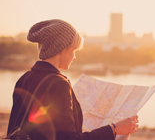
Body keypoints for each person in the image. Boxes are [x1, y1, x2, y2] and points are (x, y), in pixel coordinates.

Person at [7, 19, 139, 140]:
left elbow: (14, 129)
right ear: (61, 49)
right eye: (74, 50)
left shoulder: (24, 78)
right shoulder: (58, 84)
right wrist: (113, 129)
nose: (74, 57)